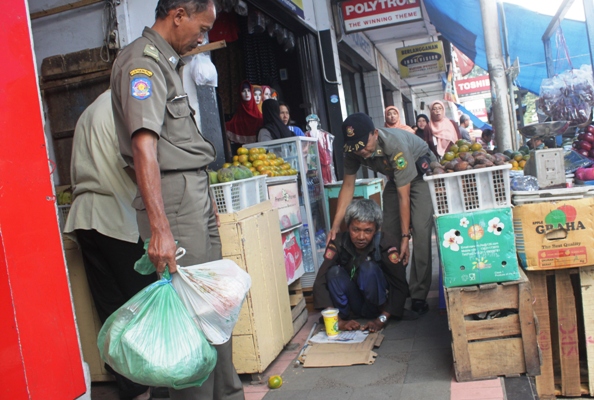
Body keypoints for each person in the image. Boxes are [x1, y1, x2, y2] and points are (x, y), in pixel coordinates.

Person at [110, 1, 244, 399]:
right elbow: (144, 150)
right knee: (191, 318)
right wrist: (161, 227)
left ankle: (226, 393)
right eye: (201, 28)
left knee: (213, 306)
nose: (202, 37)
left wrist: (205, 197)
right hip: (175, 200)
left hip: (191, 193)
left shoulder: (167, 62)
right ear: (179, 14)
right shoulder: (143, 63)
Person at [64, 90, 158, 400]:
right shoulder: (126, 107)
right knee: (142, 309)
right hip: (119, 219)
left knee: (113, 311)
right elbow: (136, 163)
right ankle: (156, 385)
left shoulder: (90, 111)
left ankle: (133, 389)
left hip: (85, 218)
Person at [329, 113, 436, 315]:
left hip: (420, 177)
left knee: (421, 233)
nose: (360, 151)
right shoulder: (353, 150)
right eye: (355, 146)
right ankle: (396, 289)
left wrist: (407, 236)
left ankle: (419, 294)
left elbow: (404, 197)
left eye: (363, 144)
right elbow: (348, 186)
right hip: (396, 179)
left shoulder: (394, 145)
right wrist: (335, 225)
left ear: (375, 134)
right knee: (388, 236)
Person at [314, 200, 414, 332]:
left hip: (377, 305)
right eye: (355, 230)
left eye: (368, 231)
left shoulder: (386, 243)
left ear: (376, 229)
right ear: (348, 226)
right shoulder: (338, 243)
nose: (361, 237)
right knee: (334, 273)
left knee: (369, 269)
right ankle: (344, 316)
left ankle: (378, 313)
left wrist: (381, 320)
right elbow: (319, 281)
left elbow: (399, 285)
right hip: (352, 305)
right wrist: (337, 322)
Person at [225, 80, 263, 144]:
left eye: (248, 91)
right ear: (240, 94)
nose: (247, 93)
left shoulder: (260, 117)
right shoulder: (237, 118)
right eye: (243, 91)